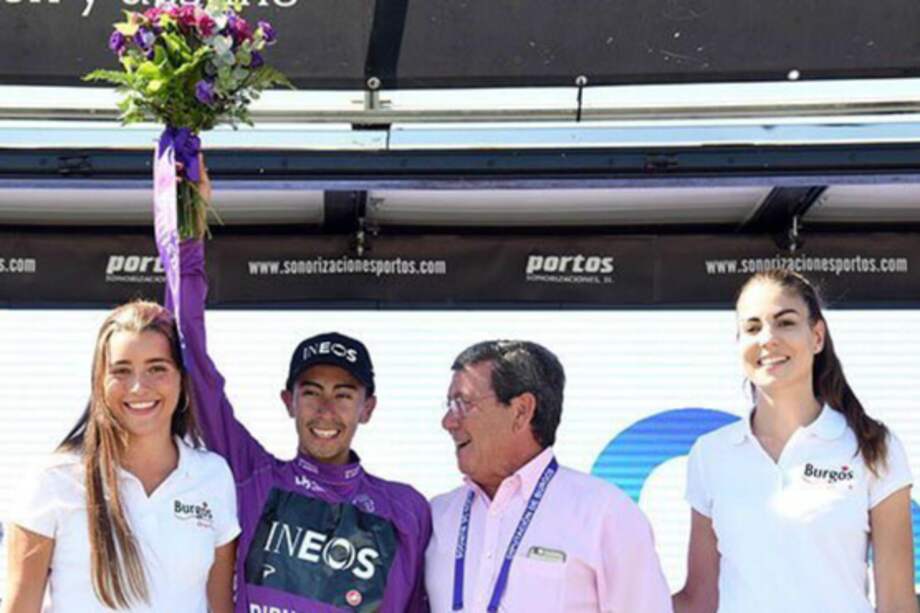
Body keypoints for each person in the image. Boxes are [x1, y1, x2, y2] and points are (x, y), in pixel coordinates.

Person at [155, 169, 431, 612]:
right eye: (311, 392)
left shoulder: (406, 510)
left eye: (343, 395)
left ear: (368, 408)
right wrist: (186, 226)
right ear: (289, 401)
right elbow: (190, 361)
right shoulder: (251, 476)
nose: (325, 410)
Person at [673, 269, 917, 613]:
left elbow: (897, 604)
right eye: (752, 327)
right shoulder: (710, 454)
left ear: (817, 336)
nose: (767, 338)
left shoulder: (874, 446)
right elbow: (699, 599)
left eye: (785, 322)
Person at [1, 301, 239, 613]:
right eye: (121, 371)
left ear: (181, 379)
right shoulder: (53, 479)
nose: (139, 387)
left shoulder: (214, 476)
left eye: (157, 369)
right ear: (99, 382)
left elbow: (220, 607)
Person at [425, 340, 673, 612]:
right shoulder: (435, 516)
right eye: (449, 405)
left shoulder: (605, 514)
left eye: (463, 404)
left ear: (521, 411)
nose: (448, 422)